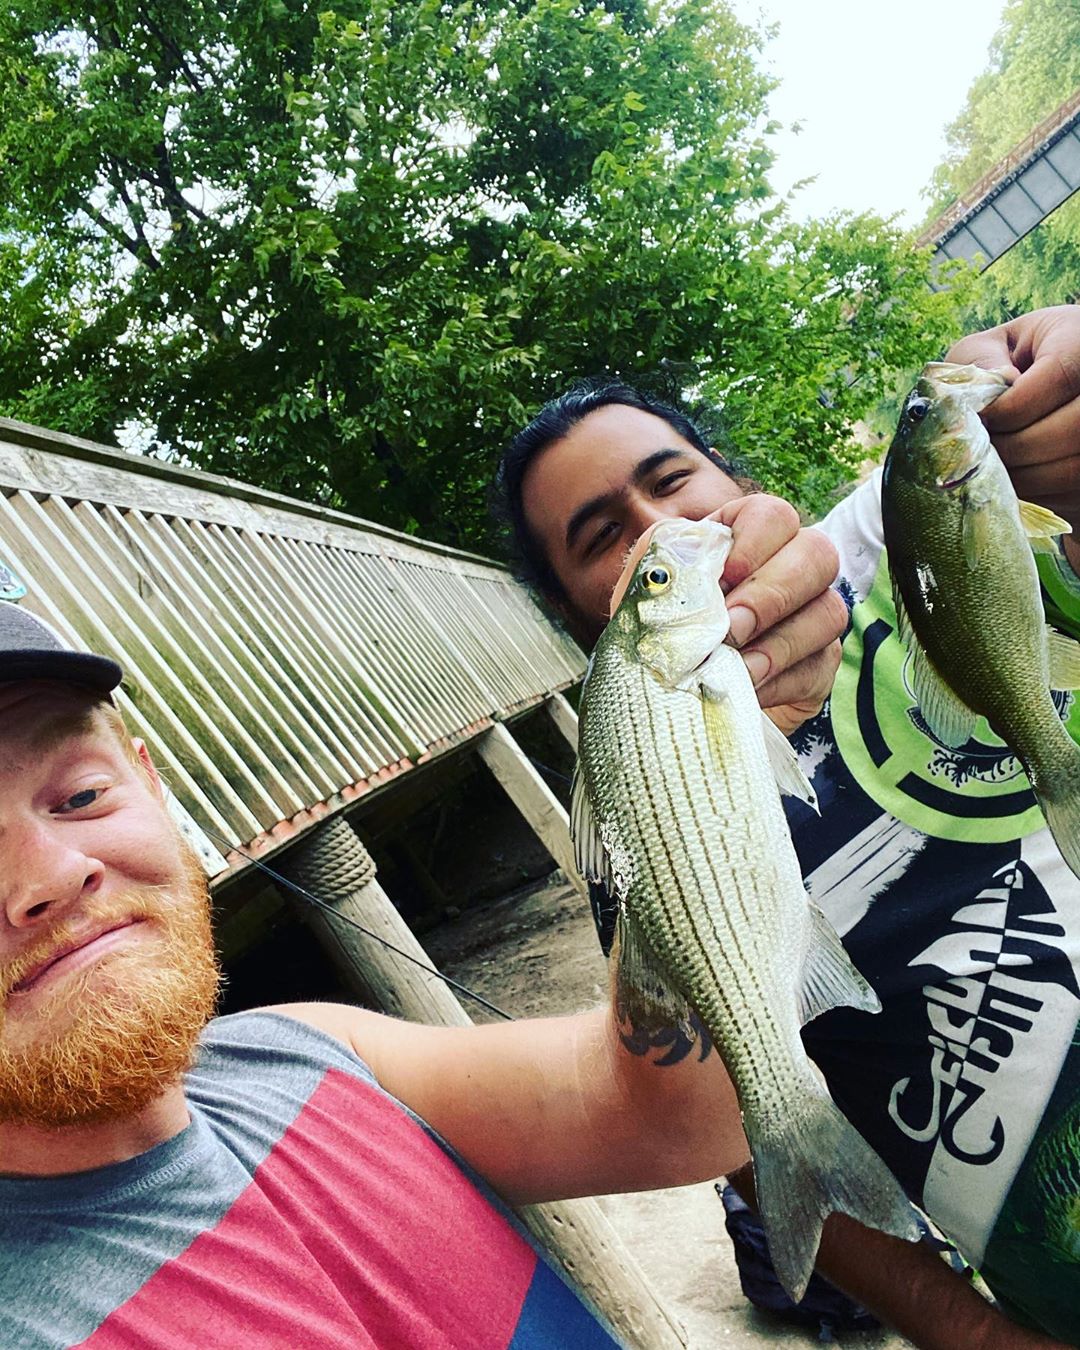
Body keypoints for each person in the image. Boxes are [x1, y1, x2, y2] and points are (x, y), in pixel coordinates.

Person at [498, 304, 1080, 1346]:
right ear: (578, 611)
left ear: (729, 477)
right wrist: (972, 1332)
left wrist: (1025, 384)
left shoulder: (907, 533)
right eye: (600, 537)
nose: (648, 528)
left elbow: (989, 418)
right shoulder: (631, 834)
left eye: (668, 479)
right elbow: (724, 1125)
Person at [0, 604, 763, 1347]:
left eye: (80, 796)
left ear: (153, 792)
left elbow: (678, 1118)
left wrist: (712, 761)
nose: (55, 875)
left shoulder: (307, 1048)